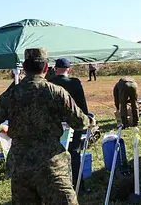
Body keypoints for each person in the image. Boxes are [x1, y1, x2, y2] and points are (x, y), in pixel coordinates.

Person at [0, 48, 94, 205]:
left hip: (21, 166)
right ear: (46, 68)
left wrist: (1, 128)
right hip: (52, 164)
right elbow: (79, 122)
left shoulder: (11, 94)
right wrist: (91, 121)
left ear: (24, 68)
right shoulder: (56, 92)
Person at [49, 58, 91, 192]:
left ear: (55, 69)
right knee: (74, 153)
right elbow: (82, 106)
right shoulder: (75, 83)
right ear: (69, 69)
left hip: (54, 126)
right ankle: (79, 186)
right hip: (73, 125)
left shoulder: (48, 84)